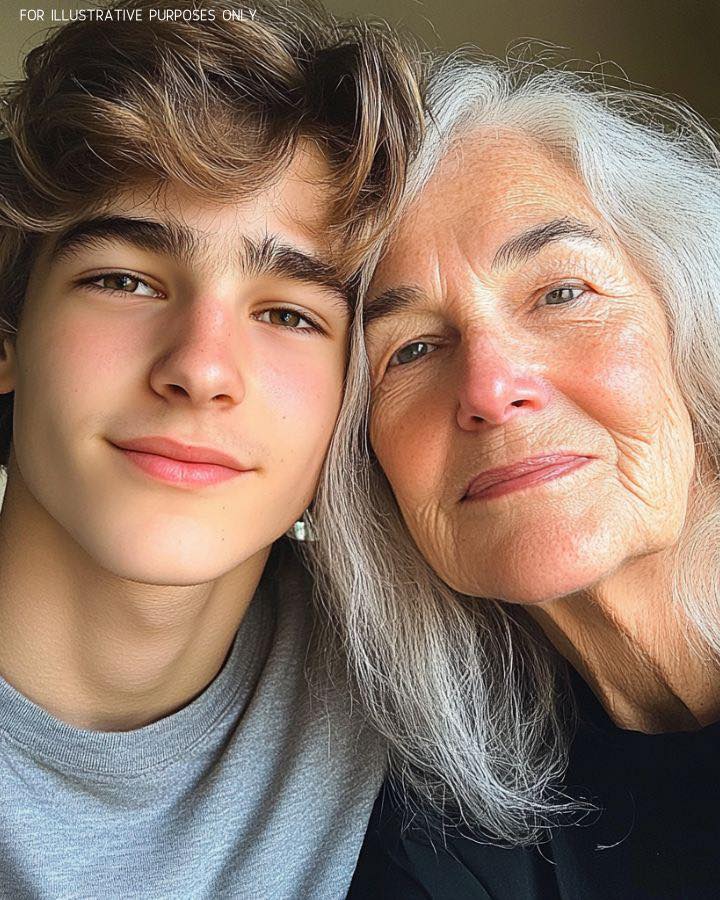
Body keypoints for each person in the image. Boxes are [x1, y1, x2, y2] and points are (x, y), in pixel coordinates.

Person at [0, 1, 421, 896]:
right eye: (124, 280)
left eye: (289, 314)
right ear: (9, 338)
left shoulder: (425, 694)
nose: (201, 369)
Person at [303, 54, 720, 898]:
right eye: (410, 350)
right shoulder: (438, 830)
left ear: (694, 323)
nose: (490, 389)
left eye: (561, 293)